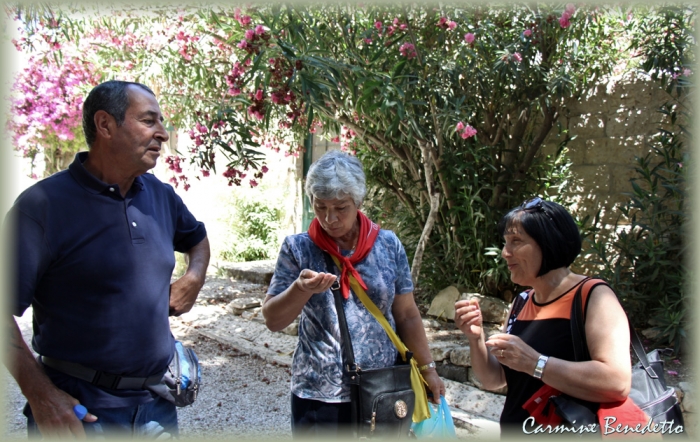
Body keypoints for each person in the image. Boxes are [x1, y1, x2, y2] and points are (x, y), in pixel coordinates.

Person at [5, 80, 210, 439]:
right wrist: (42, 396)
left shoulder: (160, 195)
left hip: (157, 408)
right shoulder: (42, 207)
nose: (163, 133)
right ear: (105, 125)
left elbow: (197, 239)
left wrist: (193, 277)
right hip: (80, 414)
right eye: (150, 121)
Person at [262, 150, 445, 438]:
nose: (328, 218)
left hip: (382, 391)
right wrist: (300, 289)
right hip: (320, 394)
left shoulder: (388, 245)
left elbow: (407, 315)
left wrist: (428, 369)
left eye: (340, 208)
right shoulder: (299, 248)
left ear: (358, 202)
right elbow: (273, 319)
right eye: (319, 206)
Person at [455, 197, 631, 437]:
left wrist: (536, 363)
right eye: (505, 243)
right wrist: (475, 338)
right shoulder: (521, 302)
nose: (506, 253)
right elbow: (495, 379)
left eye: (517, 241)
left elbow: (617, 383)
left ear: (549, 244)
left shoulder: (593, 296)